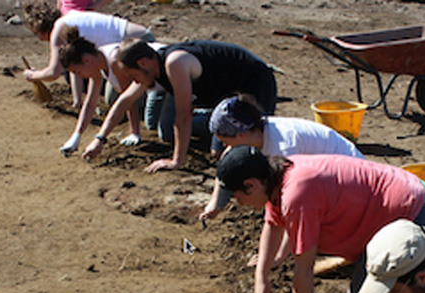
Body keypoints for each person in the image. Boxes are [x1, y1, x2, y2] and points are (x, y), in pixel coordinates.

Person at [214, 146, 425, 293]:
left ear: (251, 185)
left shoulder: (297, 195)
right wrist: (261, 278)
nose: (239, 204)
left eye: (236, 197)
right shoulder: (277, 175)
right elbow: (272, 224)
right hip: (385, 218)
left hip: (416, 213)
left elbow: (304, 271)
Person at [80, 39, 277, 173]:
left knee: (253, 147)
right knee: (220, 153)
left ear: (143, 63)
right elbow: (124, 101)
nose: (134, 82)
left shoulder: (174, 63)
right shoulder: (153, 70)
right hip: (224, 97)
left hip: (254, 83)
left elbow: (184, 116)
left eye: (133, 76)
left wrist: (176, 162)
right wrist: (100, 139)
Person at [200, 93, 364, 223]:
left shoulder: (284, 147)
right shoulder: (257, 133)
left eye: (224, 141)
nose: (224, 147)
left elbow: (294, 196)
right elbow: (227, 161)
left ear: (241, 135)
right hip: (325, 176)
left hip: (351, 182)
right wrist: (216, 203)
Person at [22, 0, 152, 130]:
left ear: (41, 27)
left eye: (37, 33)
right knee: (112, 98)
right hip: (123, 49)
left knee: (132, 99)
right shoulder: (68, 24)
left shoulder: (60, 29)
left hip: (138, 44)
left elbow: (54, 72)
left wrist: (33, 75)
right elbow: (75, 67)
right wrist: (77, 99)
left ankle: (140, 121)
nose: (40, 39)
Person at [56, 30, 165, 156]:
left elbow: (128, 99)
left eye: (79, 72)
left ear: (86, 60)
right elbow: (90, 103)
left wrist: (134, 133)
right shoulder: (97, 64)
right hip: (149, 84)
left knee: (157, 126)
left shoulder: (115, 61)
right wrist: (76, 136)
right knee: (114, 100)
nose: (82, 76)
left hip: (162, 77)